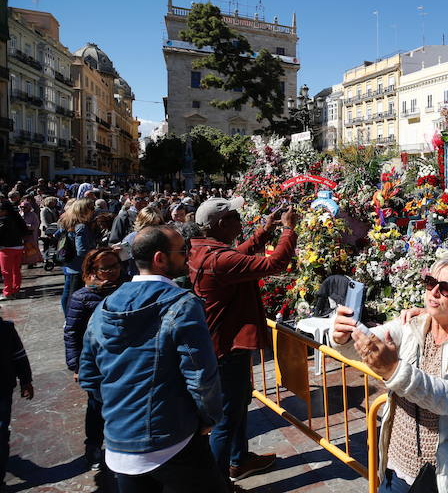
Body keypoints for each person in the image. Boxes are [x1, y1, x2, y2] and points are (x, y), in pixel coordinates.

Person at [78, 226, 228, 493]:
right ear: (160, 258)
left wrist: (120, 410)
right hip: (172, 441)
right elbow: (200, 374)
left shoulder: (105, 305)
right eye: (183, 251)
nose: (188, 256)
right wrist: (209, 417)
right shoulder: (181, 304)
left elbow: (89, 373)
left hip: (120, 444)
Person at [331, 256, 448, 493]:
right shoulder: (412, 326)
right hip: (395, 464)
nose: (433, 292)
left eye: (445, 288)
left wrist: (394, 370)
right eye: (430, 282)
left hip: (439, 477)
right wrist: (344, 335)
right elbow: (368, 342)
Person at [188, 197, 297, 482]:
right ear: (222, 223)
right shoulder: (220, 259)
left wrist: (265, 230)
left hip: (222, 344)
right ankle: (217, 483)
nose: (240, 219)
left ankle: (239, 460)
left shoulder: (205, 249)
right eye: (235, 215)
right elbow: (276, 264)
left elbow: (237, 254)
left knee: (236, 408)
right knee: (226, 418)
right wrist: (288, 230)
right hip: (227, 347)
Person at [64, 248, 123, 470]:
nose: (112, 272)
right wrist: (76, 365)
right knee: (96, 406)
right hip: (96, 363)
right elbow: (72, 332)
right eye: (105, 268)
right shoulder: (82, 296)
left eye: (115, 266)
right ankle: (94, 445)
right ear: (92, 270)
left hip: (122, 359)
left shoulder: (127, 288)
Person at [1, 311, 34, 491]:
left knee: (1, 431)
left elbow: (19, 355)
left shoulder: (6, 329)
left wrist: (26, 380)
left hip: (3, 388)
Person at [59, 199, 97, 313]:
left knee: (68, 292)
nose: (93, 211)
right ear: (84, 210)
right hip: (79, 267)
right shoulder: (81, 226)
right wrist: (97, 252)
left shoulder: (68, 222)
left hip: (70, 264)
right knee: (74, 295)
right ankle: (70, 318)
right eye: (91, 208)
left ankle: (68, 317)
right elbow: (81, 250)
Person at [0, 202, 27, 301]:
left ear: (4, 211)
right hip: (19, 247)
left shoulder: (3, 220)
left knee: (6, 272)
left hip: (7, 249)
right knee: (16, 270)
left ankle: (8, 292)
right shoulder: (16, 218)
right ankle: (16, 289)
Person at [19, 203, 42, 268]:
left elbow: (36, 224)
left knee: (31, 249)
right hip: (22, 235)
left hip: (31, 235)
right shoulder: (20, 214)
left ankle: (31, 262)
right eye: (22, 207)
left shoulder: (33, 215)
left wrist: (27, 226)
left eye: (25, 207)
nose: (23, 208)